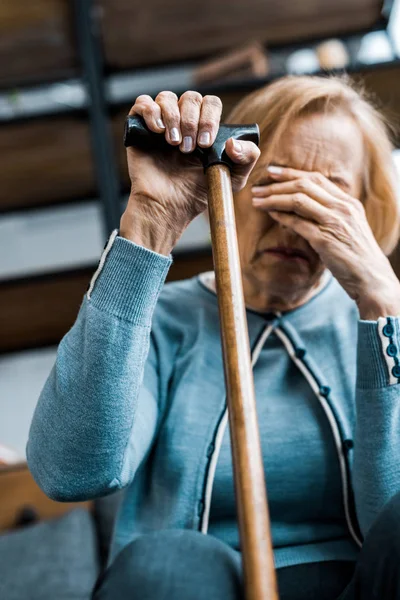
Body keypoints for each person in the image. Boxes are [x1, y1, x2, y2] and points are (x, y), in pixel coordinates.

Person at [27, 76, 400, 600]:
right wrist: (149, 223)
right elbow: (70, 471)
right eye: (276, 183)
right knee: (164, 564)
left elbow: (392, 520)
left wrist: (383, 303)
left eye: (325, 196)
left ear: (365, 215)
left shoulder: (385, 326)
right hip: (199, 585)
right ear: (227, 182)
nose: (294, 225)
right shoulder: (162, 321)